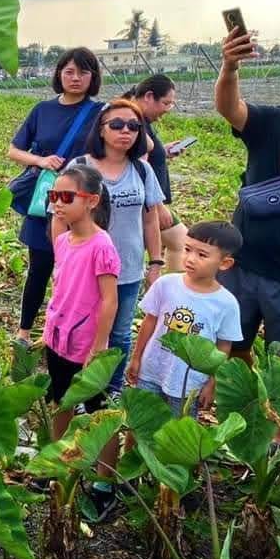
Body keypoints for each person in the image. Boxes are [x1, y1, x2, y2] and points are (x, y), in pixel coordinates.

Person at [214, 28, 280, 357]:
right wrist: (229, 67)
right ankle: (243, 403)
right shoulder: (276, 124)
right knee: (231, 349)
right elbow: (231, 108)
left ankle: (270, 410)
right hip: (241, 264)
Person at [62, 98, 165, 391]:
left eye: (134, 126)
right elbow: (59, 215)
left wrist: (156, 262)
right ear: (102, 130)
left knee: (119, 335)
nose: (126, 131)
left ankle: (112, 390)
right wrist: (63, 258)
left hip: (128, 269)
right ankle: (80, 390)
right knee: (82, 331)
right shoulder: (79, 167)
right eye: (117, 124)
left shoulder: (143, 171)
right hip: (85, 270)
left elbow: (150, 220)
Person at [8, 48, 103, 346]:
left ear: (93, 77)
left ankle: (63, 331)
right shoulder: (42, 110)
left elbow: (123, 137)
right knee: (40, 266)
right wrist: (41, 160)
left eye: (83, 72)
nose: (75, 78)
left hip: (84, 199)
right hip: (47, 197)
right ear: (59, 73)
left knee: (76, 272)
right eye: (69, 71)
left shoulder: (101, 112)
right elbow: (13, 150)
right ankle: (24, 331)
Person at [42, 163, 120, 515]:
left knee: (99, 412)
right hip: (58, 338)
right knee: (61, 402)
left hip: (87, 344)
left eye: (65, 196)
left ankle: (106, 481)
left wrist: (100, 345)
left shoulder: (102, 245)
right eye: (53, 196)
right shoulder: (63, 240)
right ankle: (57, 463)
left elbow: (109, 300)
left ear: (91, 201)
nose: (57, 203)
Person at [126, 221, 243, 417]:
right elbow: (149, 322)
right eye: (187, 249)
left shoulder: (226, 303)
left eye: (202, 255)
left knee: (177, 434)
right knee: (140, 424)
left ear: (224, 263)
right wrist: (136, 358)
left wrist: (212, 384)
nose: (190, 258)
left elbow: (223, 347)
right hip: (151, 370)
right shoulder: (165, 284)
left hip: (189, 384)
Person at [125, 75, 189, 272]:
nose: (167, 109)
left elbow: (143, 154)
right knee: (180, 241)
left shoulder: (137, 118)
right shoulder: (132, 121)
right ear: (149, 96)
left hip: (145, 202)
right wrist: (158, 206)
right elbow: (137, 166)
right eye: (166, 103)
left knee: (139, 252)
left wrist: (164, 151)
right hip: (146, 203)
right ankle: (170, 297)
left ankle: (153, 293)